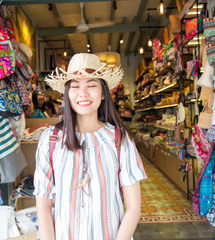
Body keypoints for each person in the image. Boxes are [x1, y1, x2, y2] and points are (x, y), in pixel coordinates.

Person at [34, 53, 147, 240]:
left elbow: (134, 206)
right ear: (67, 93)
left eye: (91, 85)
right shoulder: (50, 140)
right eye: (75, 86)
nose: (83, 93)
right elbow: (43, 206)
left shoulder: (120, 139)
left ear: (103, 93)